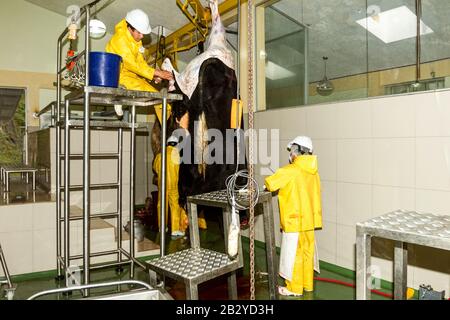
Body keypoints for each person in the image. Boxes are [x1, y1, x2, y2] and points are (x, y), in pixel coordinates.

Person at [264, 136, 322, 297]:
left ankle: (294, 288)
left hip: (294, 221)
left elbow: (270, 183)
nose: (291, 154)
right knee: (307, 253)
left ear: (296, 151)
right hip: (309, 221)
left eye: (292, 151)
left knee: (294, 254)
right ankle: (307, 285)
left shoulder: (290, 170)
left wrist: (264, 184)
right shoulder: (313, 172)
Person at [106, 9, 173, 116]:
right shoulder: (119, 40)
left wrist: (152, 76)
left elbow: (140, 63)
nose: (142, 36)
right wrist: (156, 72)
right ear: (130, 28)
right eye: (139, 33)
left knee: (162, 102)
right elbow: (132, 64)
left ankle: (168, 130)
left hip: (132, 77)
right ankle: (119, 96)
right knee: (160, 101)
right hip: (119, 78)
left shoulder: (135, 40)